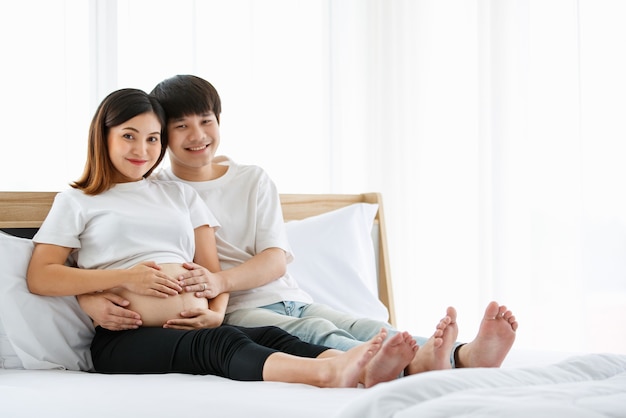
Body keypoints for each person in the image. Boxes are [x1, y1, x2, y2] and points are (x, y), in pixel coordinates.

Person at [79, 76, 518, 379]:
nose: (198, 135)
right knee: (319, 336)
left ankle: (461, 355)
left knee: (363, 326)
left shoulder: (251, 179)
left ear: (219, 121)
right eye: (180, 126)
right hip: (237, 311)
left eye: (207, 121)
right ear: (164, 136)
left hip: (289, 296)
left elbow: (274, 259)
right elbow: (115, 252)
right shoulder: (156, 191)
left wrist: (217, 278)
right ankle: (408, 366)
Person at [26, 87, 405, 388]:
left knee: (268, 334)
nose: (142, 150)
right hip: (126, 340)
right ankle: (327, 375)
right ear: (103, 135)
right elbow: (42, 275)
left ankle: (359, 365)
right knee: (220, 345)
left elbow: (211, 269)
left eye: (153, 138)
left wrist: (215, 311)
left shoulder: (179, 194)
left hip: (198, 322)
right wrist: (124, 278)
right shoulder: (77, 200)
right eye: (129, 136)